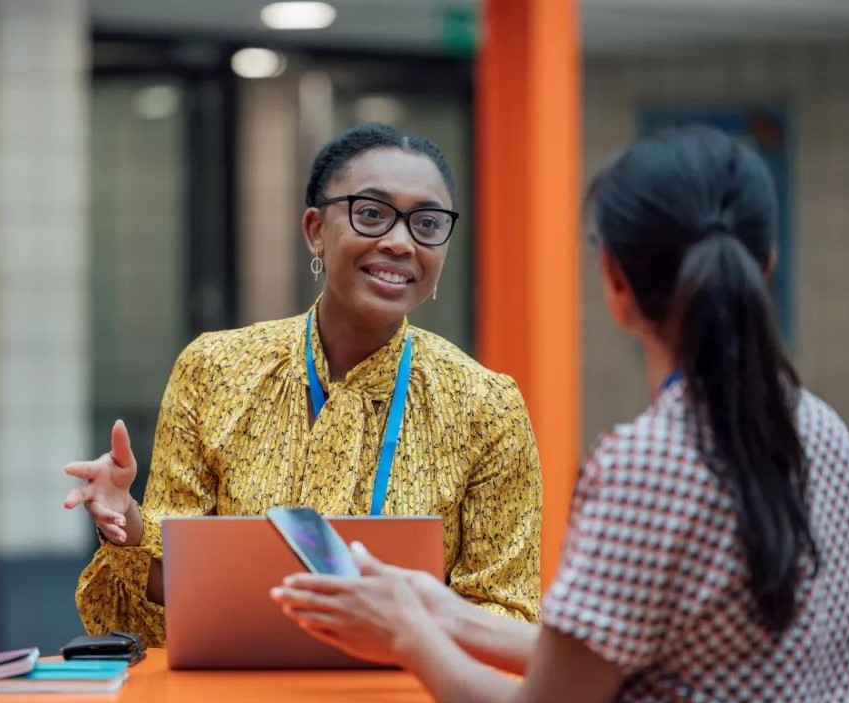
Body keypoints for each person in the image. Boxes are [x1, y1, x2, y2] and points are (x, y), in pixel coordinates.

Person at [272, 127, 849, 703]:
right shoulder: (824, 431)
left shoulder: (645, 463)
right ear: (766, 266)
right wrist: (438, 611)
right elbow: (611, 655)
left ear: (614, 282)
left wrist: (406, 634)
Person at [64, 122, 543, 647]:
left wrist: (408, 627)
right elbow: (170, 600)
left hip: (403, 702)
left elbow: (507, 611)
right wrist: (129, 524)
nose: (400, 242)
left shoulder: (485, 406)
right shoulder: (215, 370)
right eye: (372, 213)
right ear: (316, 229)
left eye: (427, 223)